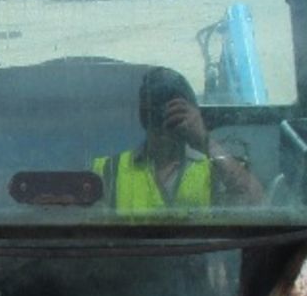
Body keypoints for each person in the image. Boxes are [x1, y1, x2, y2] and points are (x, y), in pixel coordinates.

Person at [94, 68, 261, 211]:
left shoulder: (214, 167)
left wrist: (204, 140)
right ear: (143, 117)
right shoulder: (109, 171)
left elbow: (257, 203)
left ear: (192, 115)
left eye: (175, 113)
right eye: (155, 112)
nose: (165, 120)